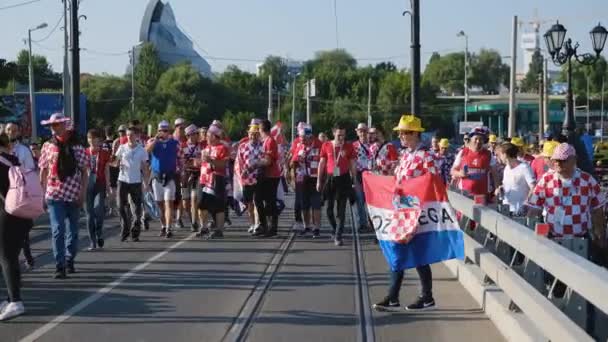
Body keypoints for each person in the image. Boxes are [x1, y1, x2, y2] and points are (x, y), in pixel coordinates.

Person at [373, 114, 438, 312]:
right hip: (402, 211)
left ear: (416, 134)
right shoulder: (406, 155)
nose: (401, 136)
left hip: (416, 211)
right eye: (400, 133)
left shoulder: (425, 156)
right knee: (398, 253)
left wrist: (420, 211)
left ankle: (426, 297)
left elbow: (433, 182)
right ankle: (394, 296)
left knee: (418, 255)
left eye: (405, 132)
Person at [38, 113, 88, 279]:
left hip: (73, 194)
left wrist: (82, 193)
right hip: (54, 193)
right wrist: (41, 193)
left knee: (72, 232)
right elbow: (43, 171)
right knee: (58, 229)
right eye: (52, 125)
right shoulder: (47, 146)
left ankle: (69, 258)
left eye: (57, 124)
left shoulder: (77, 147)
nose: (54, 127)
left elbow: (84, 172)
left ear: (64, 125)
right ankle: (60, 265)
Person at [527, 143, 606, 245]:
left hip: (581, 240)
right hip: (552, 239)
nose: (558, 163)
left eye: (563, 160)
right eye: (555, 160)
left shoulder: (587, 180)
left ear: (574, 160)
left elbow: (597, 209)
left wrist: (600, 235)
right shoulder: (546, 180)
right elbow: (534, 207)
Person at [0, 133, 33, 321]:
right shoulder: (13, 160)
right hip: (23, 214)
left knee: (6, 257)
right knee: (12, 257)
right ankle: (12, 298)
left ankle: (16, 301)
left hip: (7, 215)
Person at [317, 122, 357, 246]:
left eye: (343, 135)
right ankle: (335, 229)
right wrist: (319, 180)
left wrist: (354, 179)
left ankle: (338, 236)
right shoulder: (326, 145)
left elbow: (352, 164)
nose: (341, 138)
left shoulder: (349, 146)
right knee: (329, 210)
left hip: (343, 179)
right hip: (330, 179)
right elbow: (322, 163)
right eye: (339, 135)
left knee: (341, 209)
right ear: (333, 133)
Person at [5, 122, 35, 269]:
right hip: (3, 194)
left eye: (14, 130)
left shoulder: (23, 150)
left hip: (19, 193)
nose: (11, 132)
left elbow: (30, 171)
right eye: (8, 130)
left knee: (20, 228)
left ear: (18, 133)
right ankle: (8, 259)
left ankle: (27, 255)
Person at [146, 121, 181, 238]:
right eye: (161, 130)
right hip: (157, 177)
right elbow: (147, 151)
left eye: (165, 131)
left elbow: (180, 151)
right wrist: (155, 139)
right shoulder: (153, 142)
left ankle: (168, 228)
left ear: (169, 131)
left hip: (170, 176)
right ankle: (163, 225)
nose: (163, 133)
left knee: (168, 203)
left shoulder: (174, 142)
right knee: (159, 204)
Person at [115, 126, 150, 242]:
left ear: (137, 136)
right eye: (127, 135)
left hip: (135, 181)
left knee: (137, 209)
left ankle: (135, 231)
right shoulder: (122, 148)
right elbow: (115, 162)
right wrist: (114, 162)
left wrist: (146, 183)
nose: (129, 137)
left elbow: (145, 168)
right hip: (123, 180)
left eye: (132, 135)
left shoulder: (142, 150)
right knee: (120, 206)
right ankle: (125, 226)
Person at [197, 125, 229, 239]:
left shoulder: (222, 148)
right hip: (204, 179)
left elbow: (223, 164)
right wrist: (197, 163)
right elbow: (202, 163)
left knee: (219, 206)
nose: (206, 136)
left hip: (217, 178)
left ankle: (219, 230)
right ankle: (203, 227)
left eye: (209, 135)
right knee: (201, 204)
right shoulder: (205, 148)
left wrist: (211, 160)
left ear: (215, 137)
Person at [291, 125, 323, 237]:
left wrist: (322, 179)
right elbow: (293, 161)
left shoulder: (319, 145)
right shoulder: (299, 146)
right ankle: (306, 226)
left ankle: (316, 227)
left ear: (310, 137)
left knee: (316, 204)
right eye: (300, 137)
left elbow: (324, 162)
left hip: (315, 177)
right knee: (304, 204)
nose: (301, 140)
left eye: (303, 137)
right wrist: (294, 177)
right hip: (302, 179)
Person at [253, 119, 282, 238]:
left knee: (270, 201)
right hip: (264, 175)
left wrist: (255, 163)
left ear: (261, 129)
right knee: (258, 199)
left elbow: (268, 161)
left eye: (259, 129)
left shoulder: (270, 141)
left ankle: (272, 227)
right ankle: (264, 224)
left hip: (271, 175)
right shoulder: (263, 141)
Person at [451, 127, 498, 198]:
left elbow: (495, 174)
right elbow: (453, 171)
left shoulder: (488, 154)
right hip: (464, 194)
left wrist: (496, 189)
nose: (478, 141)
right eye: (476, 138)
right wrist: (460, 174)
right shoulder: (463, 152)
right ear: (471, 139)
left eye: (481, 139)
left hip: (482, 195)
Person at [84, 129, 111, 250]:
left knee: (98, 210)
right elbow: (80, 170)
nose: (93, 142)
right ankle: (92, 241)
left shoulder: (104, 153)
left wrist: (109, 185)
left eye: (95, 140)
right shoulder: (84, 153)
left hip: (100, 183)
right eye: (90, 139)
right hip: (87, 184)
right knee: (89, 215)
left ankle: (99, 232)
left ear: (99, 141)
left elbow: (106, 170)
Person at [236, 124, 264, 234]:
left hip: (258, 178)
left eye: (255, 134)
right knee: (249, 203)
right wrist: (241, 173)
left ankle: (258, 224)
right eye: (251, 134)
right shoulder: (243, 146)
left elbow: (264, 160)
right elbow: (239, 161)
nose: (253, 136)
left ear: (258, 135)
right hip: (246, 178)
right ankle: (252, 223)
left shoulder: (262, 146)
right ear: (248, 134)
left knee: (257, 201)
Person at [494, 143, 536, 216]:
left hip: (519, 211)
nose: (499, 157)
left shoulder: (524, 167)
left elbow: (534, 187)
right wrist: (501, 188)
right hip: (506, 209)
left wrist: (526, 203)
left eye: (500, 155)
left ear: (505, 154)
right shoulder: (506, 168)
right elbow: (507, 185)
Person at [180, 124, 201, 232]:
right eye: (194, 134)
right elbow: (182, 162)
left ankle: (194, 222)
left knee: (194, 198)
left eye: (197, 134)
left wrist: (193, 162)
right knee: (185, 203)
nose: (197, 136)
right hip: (185, 176)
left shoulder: (201, 146)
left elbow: (201, 162)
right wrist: (193, 161)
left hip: (197, 175)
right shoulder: (182, 146)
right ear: (189, 135)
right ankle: (192, 217)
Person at [352, 123, 371, 231]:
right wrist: (353, 176)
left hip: (369, 175)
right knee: (359, 200)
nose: (363, 133)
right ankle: (362, 223)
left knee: (370, 200)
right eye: (360, 131)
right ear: (357, 132)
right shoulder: (353, 145)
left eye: (364, 130)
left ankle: (371, 223)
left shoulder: (372, 145)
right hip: (358, 174)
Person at [288, 122, 306, 231]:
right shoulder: (296, 142)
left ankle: (307, 221)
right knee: (299, 197)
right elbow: (292, 159)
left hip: (309, 173)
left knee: (306, 198)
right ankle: (298, 220)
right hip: (299, 173)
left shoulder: (312, 142)